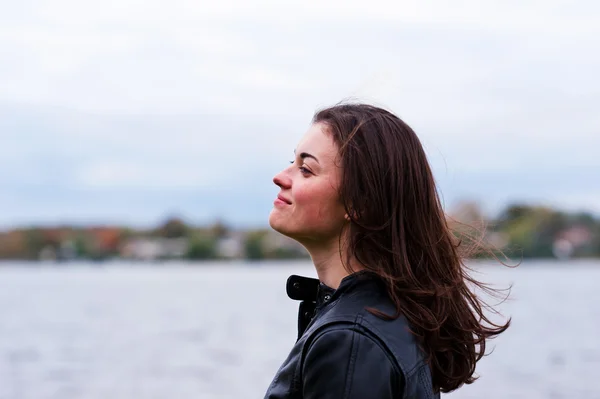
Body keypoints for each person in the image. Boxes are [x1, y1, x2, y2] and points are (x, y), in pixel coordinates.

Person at [263, 103, 511, 399]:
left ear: (359, 203)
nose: (281, 176)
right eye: (292, 162)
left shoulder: (350, 342)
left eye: (306, 169)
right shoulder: (388, 316)